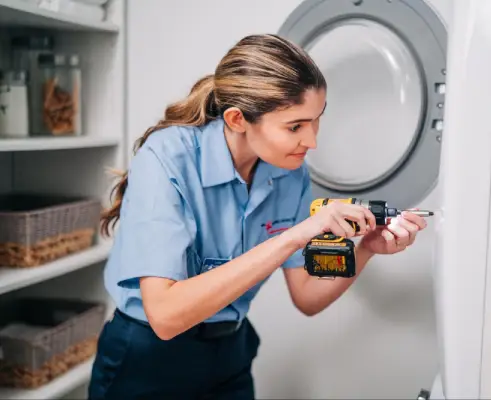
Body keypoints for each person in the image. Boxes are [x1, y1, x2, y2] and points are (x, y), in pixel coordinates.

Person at [88, 33, 428, 400]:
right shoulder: (167, 159)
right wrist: (296, 235)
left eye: (316, 120)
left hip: (230, 353)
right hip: (148, 359)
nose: (311, 141)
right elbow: (166, 316)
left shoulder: (289, 172)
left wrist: (367, 249)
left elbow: (308, 297)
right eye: (295, 126)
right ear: (237, 119)